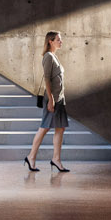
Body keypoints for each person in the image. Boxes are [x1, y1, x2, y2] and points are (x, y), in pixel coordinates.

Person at [26, 29, 69, 174]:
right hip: (52, 99)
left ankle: (56, 159)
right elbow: (46, 79)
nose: (60, 41)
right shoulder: (48, 57)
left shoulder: (54, 57)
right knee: (45, 127)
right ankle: (31, 157)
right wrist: (50, 99)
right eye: (58, 39)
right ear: (50, 41)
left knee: (60, 128)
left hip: (59, 98)